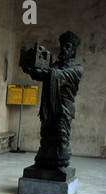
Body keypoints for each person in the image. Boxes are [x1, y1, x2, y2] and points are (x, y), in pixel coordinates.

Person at [22, 31, 84, 173]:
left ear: (73, 50)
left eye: (68, 47)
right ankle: (44, 161)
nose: (64, 49)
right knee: (46, 134)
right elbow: (43, 75)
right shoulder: (54, 66)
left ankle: (60, 163)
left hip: (63, 107)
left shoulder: (77, 69)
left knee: (61, 134)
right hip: (49, 105)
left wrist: (44, 72)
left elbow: (56, 75)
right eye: (63, 46)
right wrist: (30, 69)